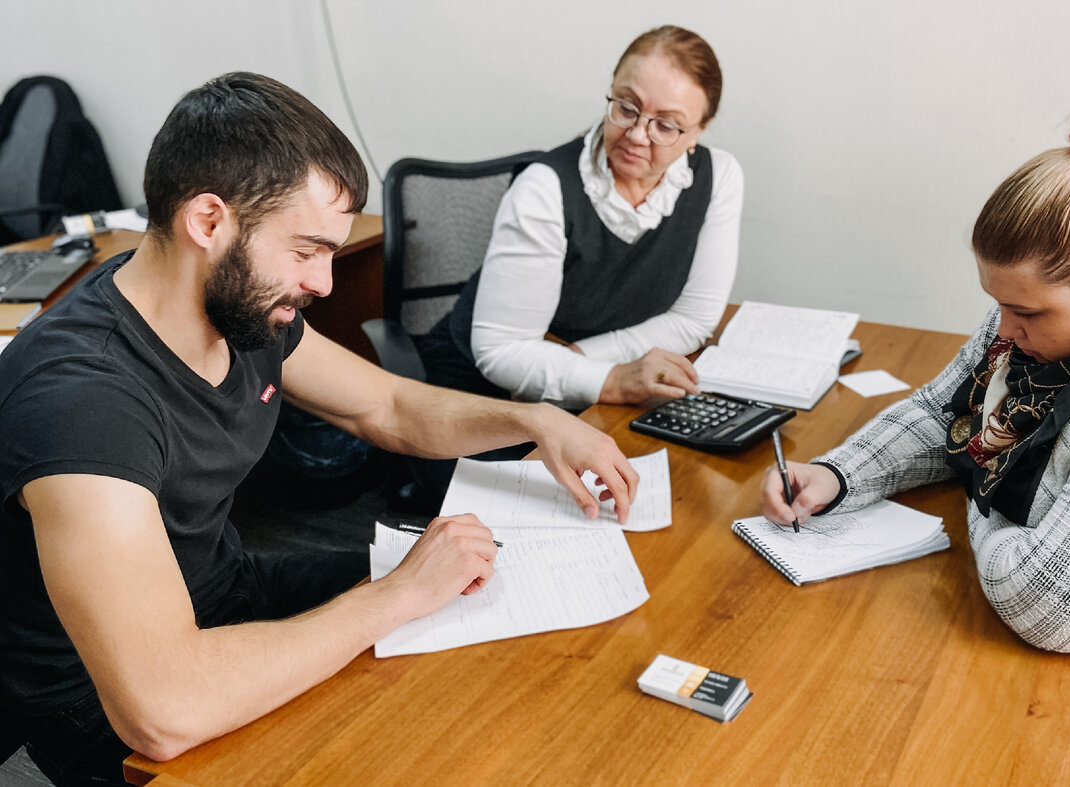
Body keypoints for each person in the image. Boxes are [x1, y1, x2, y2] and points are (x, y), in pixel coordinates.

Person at [0, 72, 638, 786]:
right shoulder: (82, 402)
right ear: (208, 221)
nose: (324, 284)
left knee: (488, 613)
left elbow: (386, 407)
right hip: (105, 705)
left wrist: (535, 420)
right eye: (305, 251)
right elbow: (164, 708)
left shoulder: (232, 304)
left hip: (225, 596)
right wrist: (397, 595)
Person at [762, 97, 1070, 655]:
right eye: (998, 304)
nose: (1005, 329)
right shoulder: (1042, 314)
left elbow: (1058, 609)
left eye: (1025, 312)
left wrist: (978, 487)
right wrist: (839, 474)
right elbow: (945, 410)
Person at [410, 24, 742, 503]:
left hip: (592, 393)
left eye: (667, 125)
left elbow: (693, 319)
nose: (637, 135)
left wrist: (590, 367)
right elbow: (502, 351)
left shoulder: (719, 178)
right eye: (626, 107)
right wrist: (612, 377)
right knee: (529, 525)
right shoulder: (545, 187)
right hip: (482, 399)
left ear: (699, 132)